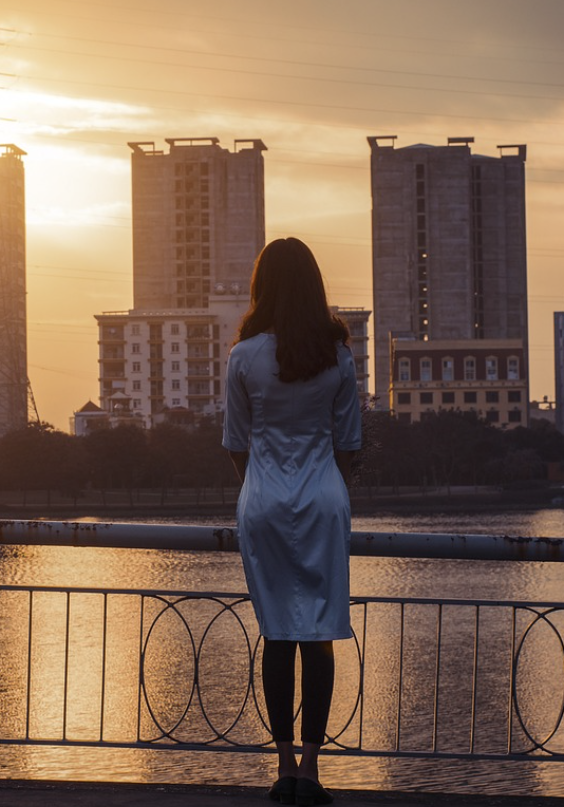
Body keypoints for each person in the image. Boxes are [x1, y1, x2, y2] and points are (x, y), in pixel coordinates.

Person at [222, 237, 361, 806]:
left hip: (264, 500)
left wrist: (260, 486)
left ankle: (281, 769)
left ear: (263, 286)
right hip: (324, 498)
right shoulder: (338, 356)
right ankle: (311, 770)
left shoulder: (244, 356)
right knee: (320, 635)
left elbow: (236, 443)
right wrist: (324, 483)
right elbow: (349, 444)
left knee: (277, 633)